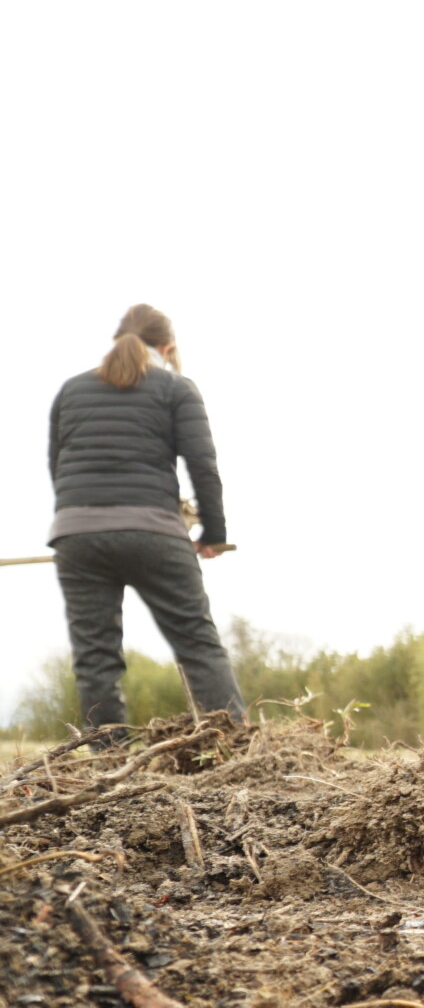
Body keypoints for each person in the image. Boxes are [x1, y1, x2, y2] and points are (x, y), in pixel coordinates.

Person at [47, 304, 244, 737]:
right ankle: (234, 749)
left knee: (95, 658)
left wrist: (81, 525)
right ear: (167, 347)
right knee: (197, 644)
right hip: (154, 532)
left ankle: (108, 762)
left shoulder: (72, 390)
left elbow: (57, 468)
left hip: (76, 534)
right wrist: (213, 534)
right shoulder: (176, 387)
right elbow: (203, 466)